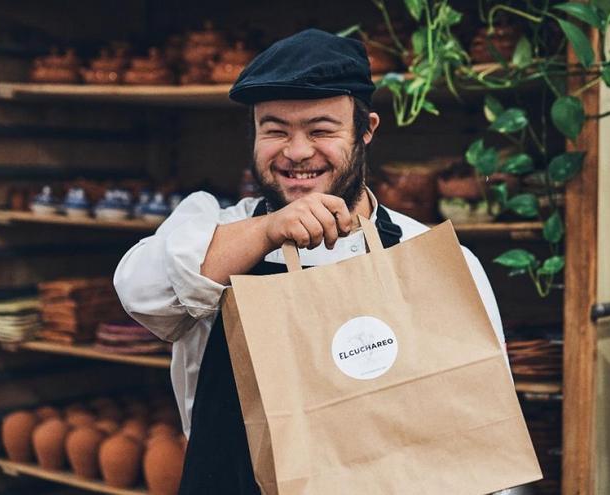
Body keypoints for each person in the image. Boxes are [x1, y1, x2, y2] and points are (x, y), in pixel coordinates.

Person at [113, 28, 507, 494]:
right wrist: (267, 230)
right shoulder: (211, 234)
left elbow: (479, 415)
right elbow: (141, 294)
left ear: (367, 130)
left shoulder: (431, 259)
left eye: (321, 130)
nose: (297, 152)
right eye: (274, 130)